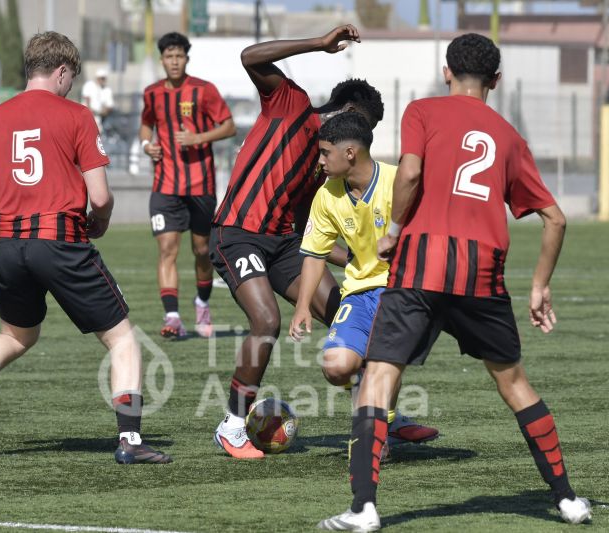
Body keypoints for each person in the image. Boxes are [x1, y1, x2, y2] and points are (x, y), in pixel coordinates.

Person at [319, 33, 590, 531]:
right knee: (514, 384)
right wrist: (539, 287)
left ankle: (364, 509)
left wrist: (395, 230)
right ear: (496, 80)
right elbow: (556, 219)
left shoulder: (422, 112)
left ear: (447, 72)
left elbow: (412, 174)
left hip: (420, 264)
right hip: (482, 272)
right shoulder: (509, 137)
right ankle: (568, 499)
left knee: (379, 377)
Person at [0, 31, 171, 465]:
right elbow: (99, 198)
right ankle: (131, 442)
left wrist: (2, 192)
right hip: (59, 241)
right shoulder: (77, 115)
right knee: (122, 339)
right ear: (62, 71)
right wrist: (99, 223)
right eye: (71, 77)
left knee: (17, 334)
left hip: (7, 243)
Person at [209, 25, 384, 459]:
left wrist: (357, 256)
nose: (364, 142)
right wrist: (318, 45)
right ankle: (232, 424)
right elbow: (251, 56)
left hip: (285, 245)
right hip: (237, 234)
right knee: (265, 320)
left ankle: (382, 420)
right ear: (348, 112)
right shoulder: (292, 105)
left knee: (351, 319)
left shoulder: (329, 169)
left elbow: (312, 231)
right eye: (366, 126)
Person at [288, 111, 438, 448]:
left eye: (325, 153)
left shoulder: (398, 181)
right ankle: (375, 412)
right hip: (359, 291)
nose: (321, 161)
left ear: (350, 153)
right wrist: (301, 308)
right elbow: (314, 253)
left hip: (402, 291)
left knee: (380, 360)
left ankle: (375, 429)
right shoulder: (327, 195)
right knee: (336, 366)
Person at [140, 32, 235, 339]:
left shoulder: (204, 91)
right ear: (162, 60)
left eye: (179, 56)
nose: (175, 61)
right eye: (169, 56)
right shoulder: (152, 93)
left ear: (186, 58)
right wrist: (146, 144)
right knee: (167, 249)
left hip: (200, 185)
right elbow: (146, 124)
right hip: (165, 185)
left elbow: (229, 126)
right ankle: (172, 317)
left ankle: (202, 304)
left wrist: (198, 138)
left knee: (202, 250)